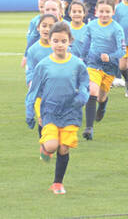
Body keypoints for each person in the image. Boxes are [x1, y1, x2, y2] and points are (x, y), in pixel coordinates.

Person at [25, 22, 90, 195]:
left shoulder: (77, 64)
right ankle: (45, 149)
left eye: (63, 40)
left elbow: (84, 84)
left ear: (70, 41)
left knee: (64, 147)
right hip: (50, 110)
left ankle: (57, 183)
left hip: (71, 111)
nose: (59, 44)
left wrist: (82, 95)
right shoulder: (43, 65)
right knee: (53, 145)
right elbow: (34, 90)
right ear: (50, 41)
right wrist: (30, 111)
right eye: (56, 40)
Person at [80, 0, 125, 140]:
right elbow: (86, 44)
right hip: (93, 64)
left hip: (110, 68)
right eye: (101, 11)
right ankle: (89, 128)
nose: (104, 14)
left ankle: (103, 105)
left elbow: (122, 51)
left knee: (101, 96)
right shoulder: (91, 26)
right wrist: (82, 58)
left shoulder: (117, 28)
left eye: (107, 11)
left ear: (113, 12)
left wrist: (111, 56)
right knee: (92, 92)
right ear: (96, 11)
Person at [21, 0, 57, 68]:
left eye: (53, 9)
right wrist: (26, 55)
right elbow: (31, 38)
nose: (43, 10)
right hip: (40, 51)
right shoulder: (36, 21)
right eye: (41, 7)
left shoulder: (63, 22)